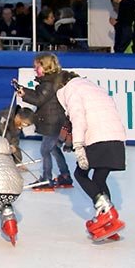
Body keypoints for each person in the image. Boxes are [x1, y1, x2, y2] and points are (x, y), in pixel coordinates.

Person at [56, 69, 128, 241]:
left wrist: (79, 146)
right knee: (99, 179)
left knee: (80, 174)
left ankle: (107, 211)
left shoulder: (72, 90)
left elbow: (78, 118)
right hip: (116, 138)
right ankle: (110, 222)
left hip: (99, 139)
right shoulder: (95, 89)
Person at [15, 53, 73, 190]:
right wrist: (24, 90)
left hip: (52, 122)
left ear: (46, 67)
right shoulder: (50, 81)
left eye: (37, 66)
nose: (35, 69)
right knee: (53, 149)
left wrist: (25, 95)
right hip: (53, 120)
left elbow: (39, 99)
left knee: (45, 150)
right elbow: (39, 96)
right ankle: (65, 175)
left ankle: (46, 179)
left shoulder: (49, 83)